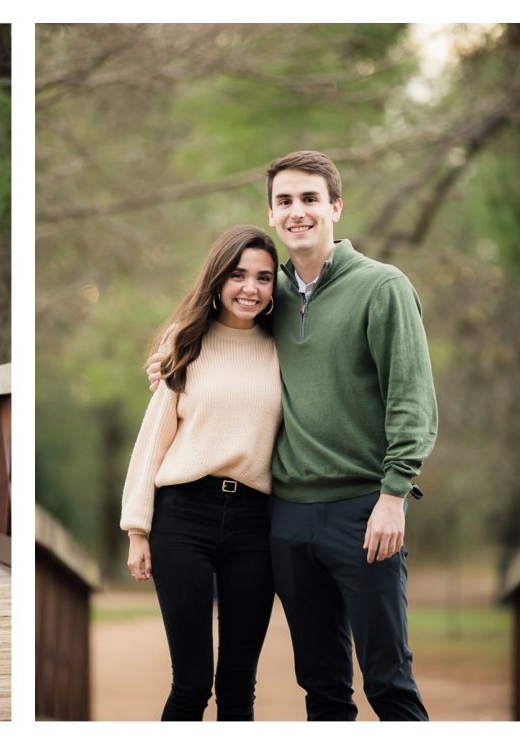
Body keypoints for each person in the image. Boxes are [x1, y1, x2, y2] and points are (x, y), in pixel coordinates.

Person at [148, 151, 438, 720]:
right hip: (287, 518)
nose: (297, 212)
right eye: (285, 201)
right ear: (272, 213)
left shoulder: (382, 287)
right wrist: (168, 353)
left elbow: (413, 398)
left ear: (335, 206)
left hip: (364, 511)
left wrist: (393, 495)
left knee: (388, 681)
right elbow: (219, 320)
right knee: (323, 688)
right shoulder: (271, 294)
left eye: (309, 199)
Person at [121, 225, 282, 721]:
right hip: (184, 515)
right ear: (216, 278)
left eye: (263, 277)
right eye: (237, 275)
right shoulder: (185, 341)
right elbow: (155, 440)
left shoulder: (286, 350)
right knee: (191, 682)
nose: (250, 288)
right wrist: (138, 529)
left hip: (257, 522)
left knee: (238, 685)